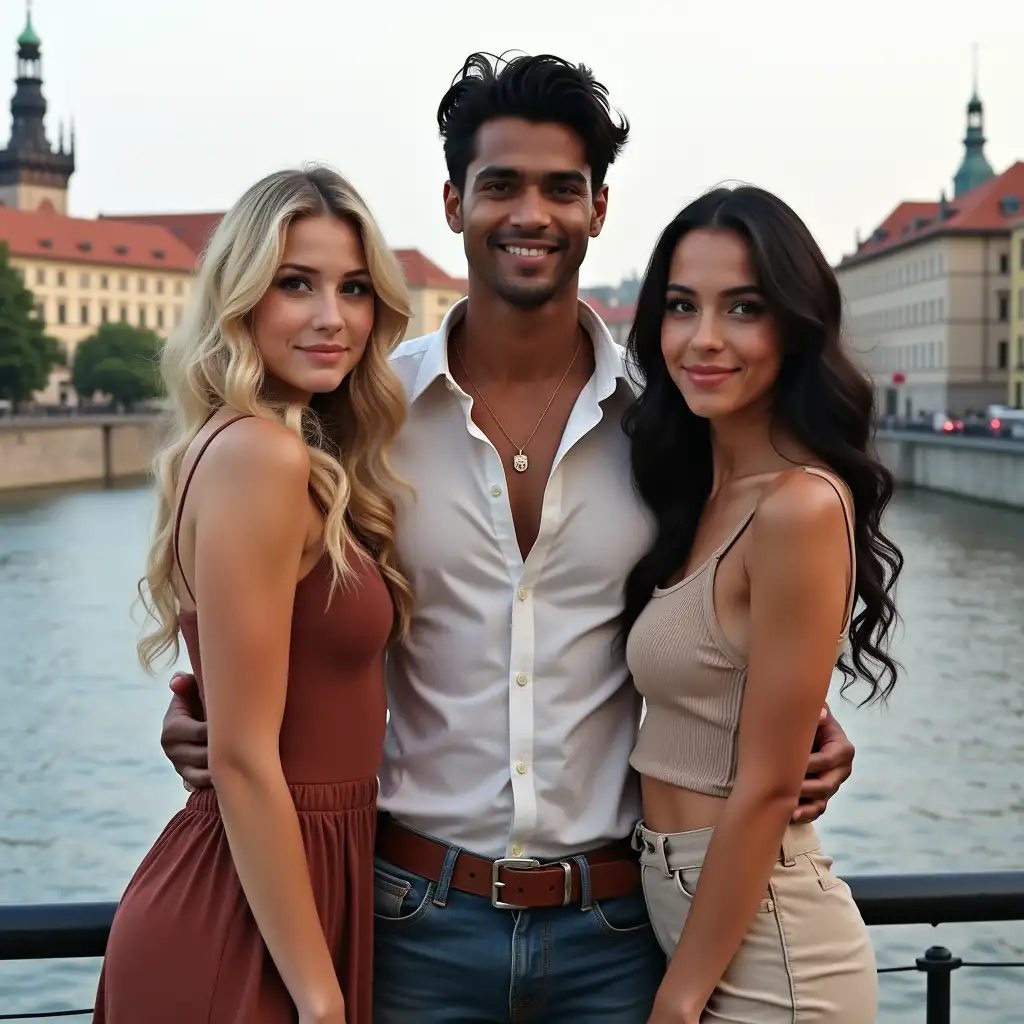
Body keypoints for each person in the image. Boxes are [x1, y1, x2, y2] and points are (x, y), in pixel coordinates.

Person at [159, 54, 859, 1023]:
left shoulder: (670, 424)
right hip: (411, 919)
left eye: (560, 188)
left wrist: (797, 723)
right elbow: (268, 614)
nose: (530, 213)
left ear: (598, 210)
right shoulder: (361, 415)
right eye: (499, 185)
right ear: (453, 201)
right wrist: (199, 713)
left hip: (617, 930)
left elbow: (738, 602)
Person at [94, 166, 415, 1024]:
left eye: (353, 289)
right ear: (240, 301)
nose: (332, 317)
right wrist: (318, 999)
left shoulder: (285, 452)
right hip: (250, 907)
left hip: (297, 882)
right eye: (295, 284)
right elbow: (240, 755)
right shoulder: (260, 458)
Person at [621, 185, 902, 1023]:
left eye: (742, 308)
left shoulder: (799, 507)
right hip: (690, 918)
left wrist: (677, 1003)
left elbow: (768, 787)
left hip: (771, 959)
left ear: (794, 325)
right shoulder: (702, 492)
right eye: (681, 306)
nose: (703, 339)